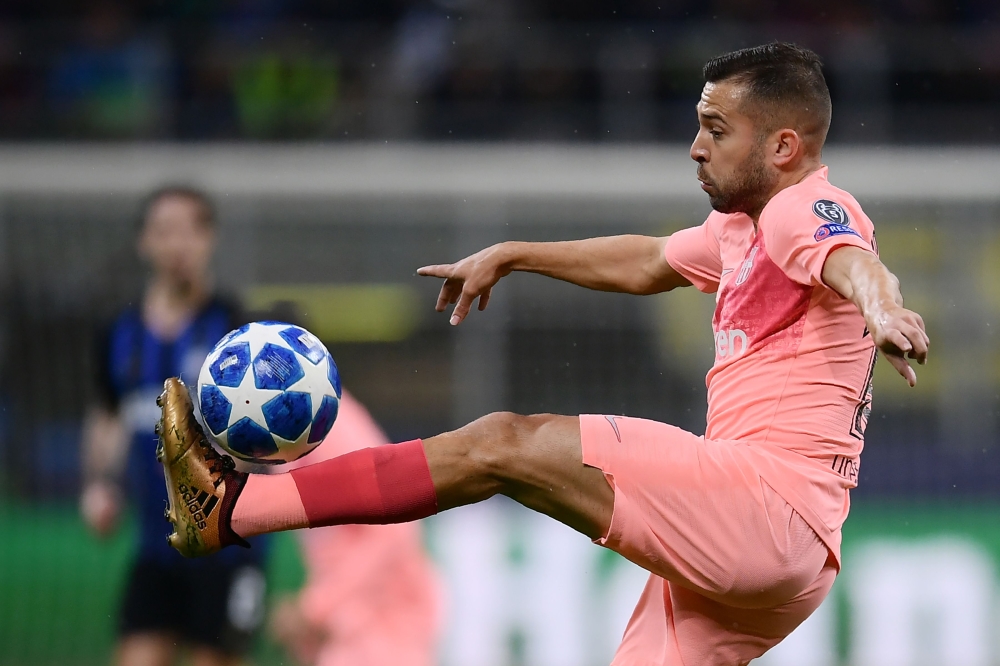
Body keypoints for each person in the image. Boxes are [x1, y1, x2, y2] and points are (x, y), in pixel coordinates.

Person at [155, 43, 929, 665]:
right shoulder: (744, 228)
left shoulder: (802, 208)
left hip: (764, 505)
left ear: (785, 145)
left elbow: (850, 256)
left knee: (501, 444)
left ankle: (231, 510)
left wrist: (884, 307)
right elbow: (646, 261)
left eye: (717, 130)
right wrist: (517, 254)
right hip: (792, 560)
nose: (695, 148)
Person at [81, 186, 267, 666]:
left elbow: (264, 440)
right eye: (165, 231)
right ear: (145, 241)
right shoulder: (118, 332)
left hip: (229, 546)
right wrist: (100, 485)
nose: (177, 244)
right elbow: (108, 413)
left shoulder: (236, 327)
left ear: (210, 239)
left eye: (190, 230)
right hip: (155, 545)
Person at [267, 390, 442, 666]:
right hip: (353, 628)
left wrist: (314, 608)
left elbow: (395, 528)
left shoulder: (328, 425)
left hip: (384, 627)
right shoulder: (286, 433)